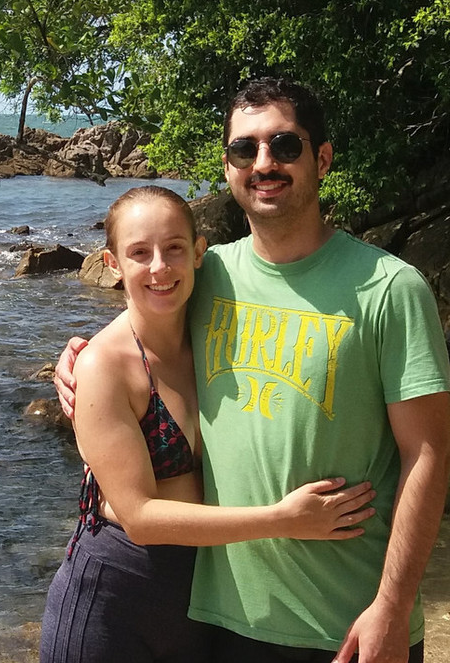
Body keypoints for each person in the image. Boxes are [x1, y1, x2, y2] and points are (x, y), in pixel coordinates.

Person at [54, 78, 450, 663]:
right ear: (228, 165)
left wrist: (392, 606)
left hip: (346, 627)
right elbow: (144, 322)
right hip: (224, 621)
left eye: (285, 146)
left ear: (321, 158)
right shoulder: (210, 274)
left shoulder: (390, 288)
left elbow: (429, 455)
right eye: (246, 149)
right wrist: (79, 361)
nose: (265, 163)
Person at [40, 184, 378, 663]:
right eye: (139, 253)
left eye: (174, 248)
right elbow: (138, 517)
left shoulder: (212, 325)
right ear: (112, 264)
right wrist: (283, 520)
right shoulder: (104, 366)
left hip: (205, 599)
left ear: (200, 253)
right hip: (115, 597)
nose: (159, 267)